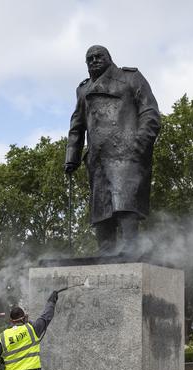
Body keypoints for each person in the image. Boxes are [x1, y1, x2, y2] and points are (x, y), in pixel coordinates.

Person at [65, 45, 161, 255]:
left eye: (99, 56)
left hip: (127, 152)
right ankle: (106, 251)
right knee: (101, 208)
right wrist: (71, 156)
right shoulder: (83, 90)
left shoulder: (131, 78)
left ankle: (130, 248)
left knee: (125, 202)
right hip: (97, 157)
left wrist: (140, 143)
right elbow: (77, 125)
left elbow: (150, 113)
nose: (94, 61)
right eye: (89, 58)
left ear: (109, 58)